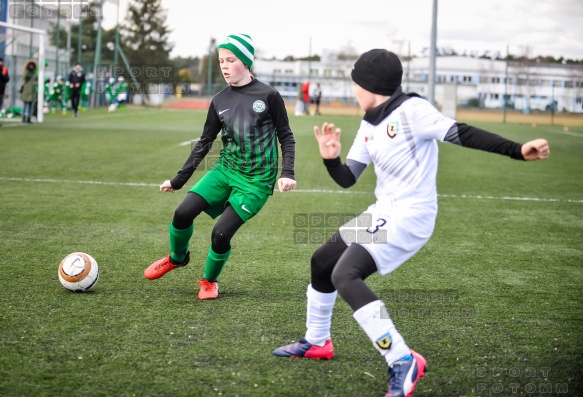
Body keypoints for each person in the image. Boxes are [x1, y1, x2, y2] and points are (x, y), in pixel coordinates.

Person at [272, 49, 550, 397]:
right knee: (322, 262)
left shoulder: (413, 110)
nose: (353, 90)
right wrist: (331, 158)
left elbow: (461, 132)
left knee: (345, 275)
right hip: (383, 211)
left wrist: (517, 149)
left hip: (410, 216)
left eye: (355, 83)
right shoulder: (369, 122)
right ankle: (316, 341)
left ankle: (402, 359)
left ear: (368, 85)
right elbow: (347, 178)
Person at [144, 33, 297, 300]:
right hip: (225, 170)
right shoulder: (219, 100)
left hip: (256, 182)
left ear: (246, 62)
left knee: (221, 233)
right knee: (182, 214)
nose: (224, 66)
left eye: (231, 60)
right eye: (221, 61)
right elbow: (205, 141)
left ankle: (209, 281)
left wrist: (287, 173)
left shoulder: (269, 95)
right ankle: (178, 258)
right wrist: (178, 180)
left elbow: (286, 135)